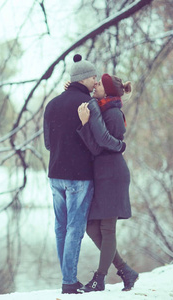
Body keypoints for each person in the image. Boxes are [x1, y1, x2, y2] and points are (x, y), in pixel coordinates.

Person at [43, 54, 125, 294]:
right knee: (75, 229)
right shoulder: (87, 105)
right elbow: (98, 141)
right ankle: (69, 282)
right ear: (87, 78)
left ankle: (67, 278)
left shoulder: (51, 104)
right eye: (94, 78)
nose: (96, 81)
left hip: (55, 175)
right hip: (79, 177)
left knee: (61, 227)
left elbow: (48, 144)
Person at [76, 73, 139, 292]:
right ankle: (125, 271)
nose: (96, 85)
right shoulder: (103, 109)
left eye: (100, 84)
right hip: (103, 174)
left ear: (108, 90)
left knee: (107, 228)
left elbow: (103, 142)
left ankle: (99, 278)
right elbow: (96, 148)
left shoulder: (112, 113)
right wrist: (85, 124)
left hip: (113, 175)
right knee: (92, 227)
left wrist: (88, 121)